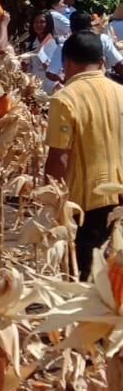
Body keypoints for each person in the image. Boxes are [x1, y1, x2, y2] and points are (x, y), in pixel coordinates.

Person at [44, 31, 123, 278]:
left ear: (66, 62)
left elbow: (59, 157)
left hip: (86, 201)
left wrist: (51, 202)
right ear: (102, 62)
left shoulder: (65, 99)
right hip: (119, 193)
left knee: (85, 273)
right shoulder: (120, 92)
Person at [46, 10, 123, 79]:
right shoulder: (103, 40)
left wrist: (63, 78)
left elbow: (51, 73)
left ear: (71, 28)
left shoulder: (65, 45)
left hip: (76, 89)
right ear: (90, 26)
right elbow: (120, 65)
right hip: (101, 85)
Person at [21, 10, 60, 93]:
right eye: (35, 22)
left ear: (48, 23)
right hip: (37, 88)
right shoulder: (30, 44)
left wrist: (41, 56)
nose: (38, 25)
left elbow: (54, 68)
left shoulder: (55, 42)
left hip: (53, 87)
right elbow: (30, 68)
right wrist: (24, 67)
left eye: (42, 22)